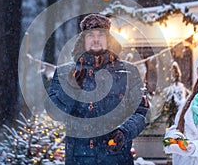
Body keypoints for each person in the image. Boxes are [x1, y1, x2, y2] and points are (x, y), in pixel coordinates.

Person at [46, 13, 150, 164]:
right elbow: (53, 112)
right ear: (83, 40)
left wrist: (124, 131)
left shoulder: (129, 72)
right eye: (90, 35)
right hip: (79, 160)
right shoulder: (64, 73)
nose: (95, 39)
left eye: (100, 35)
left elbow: (144, 111)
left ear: (108, 39)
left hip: (117, 158)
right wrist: (71, 88)